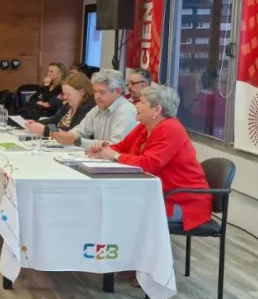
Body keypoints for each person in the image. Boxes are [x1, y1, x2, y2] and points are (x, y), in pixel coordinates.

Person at [88, 84, 212, 231]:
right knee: (108, 204)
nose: (136, 105)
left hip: (182, 202)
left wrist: (114, 155)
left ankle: (132, 252)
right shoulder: (144, 125)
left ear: (157, 109)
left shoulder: (170, 129)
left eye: (142, 102)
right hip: (155, 195)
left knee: (119, 210)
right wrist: (103, 148)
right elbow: (121, 147)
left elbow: (149, 164)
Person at [52, 69, 138, 149]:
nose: (97, 96)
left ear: (118, 91)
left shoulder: (126, 112)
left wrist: (78, 141)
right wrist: (65, 136)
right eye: (95, 91)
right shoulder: (98, 109)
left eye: (102, 92)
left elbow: (116, 146)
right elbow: (80, 131)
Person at [25, 72, 95, 137]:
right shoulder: (68, 105)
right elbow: (53, 120)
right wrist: (36, 123)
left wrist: (45, 130)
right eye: (64, 94)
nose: (65, 97)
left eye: (68, 94)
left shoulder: (89, 108)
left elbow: (73, 131)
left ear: (82, 92)